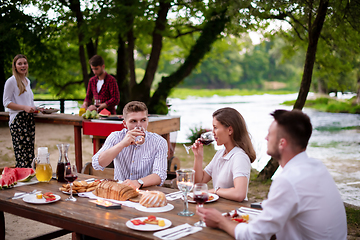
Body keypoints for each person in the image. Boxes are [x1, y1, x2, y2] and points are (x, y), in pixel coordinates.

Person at [197, 109, 347, 240]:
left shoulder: (288, 181)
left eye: (270, 134)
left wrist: (220, 221)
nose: (266, 138)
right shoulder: (317, 167)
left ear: (282, 143)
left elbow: (253, 236)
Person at [92, 101, 168, 189]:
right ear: (124, 123)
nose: (139, 125)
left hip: (146, 191)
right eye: (133, 121)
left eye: (143, 120)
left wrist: (138, 183)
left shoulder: (159, 142)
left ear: (147, 121)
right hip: (119, 190)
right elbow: (97, 163)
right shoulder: (116, 137)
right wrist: (122, 144)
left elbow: (160, 175)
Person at [192, 107, 256, 202]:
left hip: (234, 212)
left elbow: (239, 194)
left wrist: (215, 191)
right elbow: (199, 182)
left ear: (230, 130)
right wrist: (198, 156)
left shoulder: (239, 157)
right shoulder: (220, 154)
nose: (212, 132)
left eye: (215, 128)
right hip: (220, 208)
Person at [3, 54, 37, 168]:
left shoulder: (27, 81)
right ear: (15, 66)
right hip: (18, 120)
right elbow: (6, 102)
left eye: (25, 63)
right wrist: (24, 107)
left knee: (30, 154)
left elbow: (29, 102)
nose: (23, 66)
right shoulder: (11, 81)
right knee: (21, 154)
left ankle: (29, 179)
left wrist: (36, 108)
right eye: (20, 64)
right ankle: (22, 180)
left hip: (29, 120)